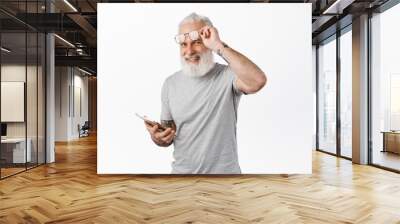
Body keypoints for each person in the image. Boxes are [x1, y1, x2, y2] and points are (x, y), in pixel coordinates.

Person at [144, 12, 267, 174]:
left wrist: (219, 46)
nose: (189, 51)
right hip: (181, 177)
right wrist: (158, 138)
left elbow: (257, 81)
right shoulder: (170, 84)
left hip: (225, 178)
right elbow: (168, 133)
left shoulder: (228, 75)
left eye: (196, 42)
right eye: (183, 44)